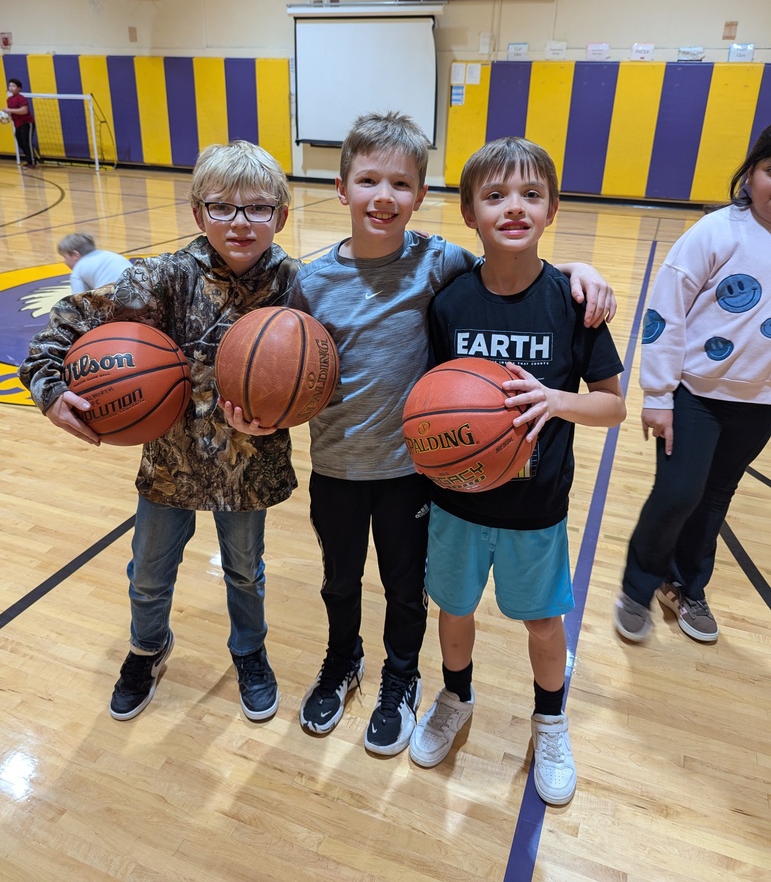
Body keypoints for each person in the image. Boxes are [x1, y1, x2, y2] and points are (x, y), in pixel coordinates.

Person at [244, 112, 615, 758]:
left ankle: (408, 680)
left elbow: (516, 264)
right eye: (367, 181)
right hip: (342, 464)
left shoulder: (440, 265)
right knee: (343, 581)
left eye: (400, 184)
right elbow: (284, 369)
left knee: (410, 589)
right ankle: (348, 665)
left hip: (427, 474)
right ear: (340, 188)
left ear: (421, 197)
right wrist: (262, 407)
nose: (383, 196)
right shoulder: (326, 282)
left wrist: (579, 269)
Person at [19, 140, 301, 723]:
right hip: (168, 464)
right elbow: (69, 321)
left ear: (281, 214)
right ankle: (147, 649)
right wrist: (48, 390)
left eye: (258, 207)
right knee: (148, 573)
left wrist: (289, 412)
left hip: (250, 465)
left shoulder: (297, 287)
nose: (240, 222)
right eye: (222, 207)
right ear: (198, 214)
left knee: (246, 570)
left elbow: (320, 378)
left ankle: (249, 649)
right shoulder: (165, 276)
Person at [408, 136, 626, 807]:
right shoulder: (450, 304)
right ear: (469, 213)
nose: (513, 207)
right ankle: (455, 697)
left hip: (536, 506)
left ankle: (550, 720)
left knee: (540, 623)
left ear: (552, 208)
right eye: (495, 195)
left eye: (530, 194)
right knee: (454, 609)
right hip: (458, 500)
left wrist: (556, 400)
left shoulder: (571, 300)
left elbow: (613, 404)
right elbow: (432, 401)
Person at [614, 127, 771, 645]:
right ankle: (639, 586)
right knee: (679, 492)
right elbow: (665, 312)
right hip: (695, 396)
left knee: (714, 499)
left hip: (759, 404)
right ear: (751, 174)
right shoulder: (717, 232)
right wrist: (659, 395)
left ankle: (686, 585)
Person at [57, 233, 132, 292]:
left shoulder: (78, 270)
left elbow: (78, 304)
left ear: (76, 255)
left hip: (120, 302)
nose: (65, 262)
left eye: (65, 257)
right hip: (141, 293)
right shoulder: (108, 254)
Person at [2, 77, 37, 169]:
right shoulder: (9, 100)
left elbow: (24, 110)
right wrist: (5, 114)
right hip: (18, 124)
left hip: (26, 123)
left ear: (19, 88)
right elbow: (13, 112)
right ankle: (30, 159)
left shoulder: (21, 98)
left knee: (26, 142)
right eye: (10, 86)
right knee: (21, 142)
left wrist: (9, 110)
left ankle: (31, 162)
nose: (11, 88)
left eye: (13, 86)